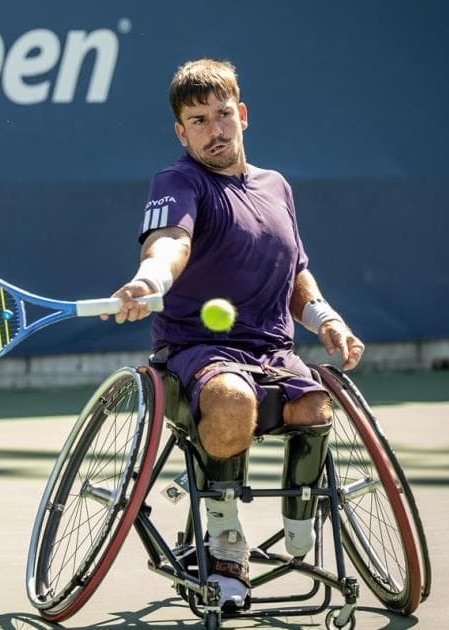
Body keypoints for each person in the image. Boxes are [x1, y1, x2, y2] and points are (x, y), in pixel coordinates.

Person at [102, 58, 365, 610]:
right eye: (198, 121)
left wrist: (326, 320)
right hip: (194, 352)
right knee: (232, 399)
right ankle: (225, 538)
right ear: (182, 132)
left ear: (241, 115)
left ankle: (299, 520)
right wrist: (150, 280)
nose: (214, 130)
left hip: (272, 350)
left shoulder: (277, 187)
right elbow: (169, 242)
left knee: (315, 404)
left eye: (222, 115)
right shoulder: (178, 181)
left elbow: (294, 272)